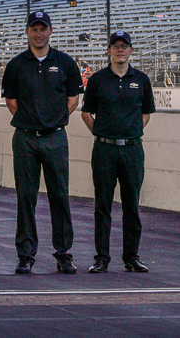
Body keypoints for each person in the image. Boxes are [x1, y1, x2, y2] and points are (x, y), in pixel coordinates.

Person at [2, 11, 82, 275]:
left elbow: (73, 100)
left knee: (60, 196)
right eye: (34, 29)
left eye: (43, 29)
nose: (39, 34)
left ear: (50, 31)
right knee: (26, 197)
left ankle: (63, 254)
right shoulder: (16, 65)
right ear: (27, 32)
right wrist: (32, 121)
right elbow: (11, 103)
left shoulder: (66, 62)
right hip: (25, 137)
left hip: (55, 137)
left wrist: (52, 121)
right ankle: (25, 255)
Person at [81, 30, 155, 273]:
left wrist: (131, 131)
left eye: (125, 46)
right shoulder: (99, 80)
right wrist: (101, 133)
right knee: (103, 205)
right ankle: (102, 258)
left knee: (131, 205)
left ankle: (131, 257)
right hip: (104, 149)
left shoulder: (141, 79)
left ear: (131, 50)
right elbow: (86, 113)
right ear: (109, 50)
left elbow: (146, 113)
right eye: (116, 45)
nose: (120, 49)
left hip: (132, 149)